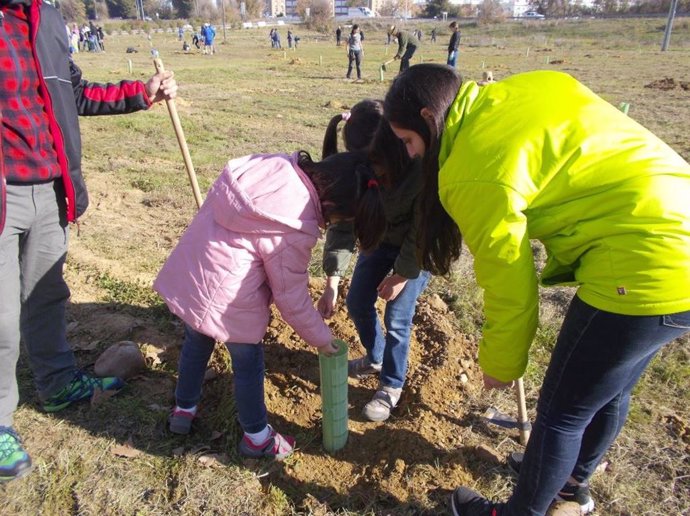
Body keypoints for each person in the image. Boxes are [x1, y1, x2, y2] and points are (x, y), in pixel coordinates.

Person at [382, 64, 690, 515]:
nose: (410, 155)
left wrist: (501, 361)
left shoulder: (472, 169)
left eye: (408, 141)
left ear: (430, 117)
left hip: (643, 262)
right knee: (611, 389)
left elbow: (509, 277)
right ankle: (572, 489)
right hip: (678, 226)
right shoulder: (522, 90)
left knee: (561, 416)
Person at [0, 0, 177, 483]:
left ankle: (56, 383)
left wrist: (142, 93)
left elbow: (74, 93)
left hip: (50, 186)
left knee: (46, 294)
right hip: (3, 191)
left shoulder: (46, 19)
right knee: (1, 316)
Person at [154, 151, 385, 460]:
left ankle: (183, 409)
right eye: (337, 221)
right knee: (248, 364)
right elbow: (291, 300)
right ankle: (256, 437)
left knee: (196, 342)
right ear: (330, 207)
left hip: (195, 275)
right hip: (230, 300)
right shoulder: (292, 226)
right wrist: (323, 340)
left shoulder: (272, 167)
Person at [319, 100, 430, 422]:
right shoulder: (356, 169)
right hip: (379, 243)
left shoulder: (420, 169)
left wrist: (402, 275)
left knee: (397, 319)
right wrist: (331, 283)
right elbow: (342, 225)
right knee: (356, 302)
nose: (375, 171)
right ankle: (376, 358)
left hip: (415, 250)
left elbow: (423, 229)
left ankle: (391, 385)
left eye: (379, 162)